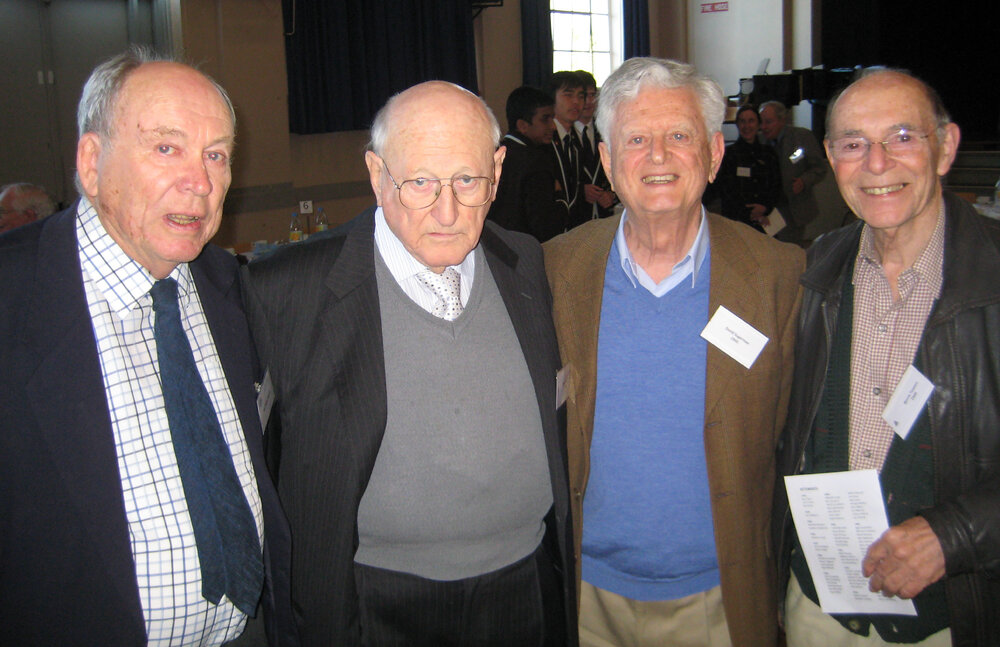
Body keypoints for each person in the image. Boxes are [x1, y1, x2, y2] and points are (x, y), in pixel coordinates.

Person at [242, 80, 577, 647]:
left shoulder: (523, 261)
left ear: (497, 169)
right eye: (419, 181)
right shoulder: (289, 287)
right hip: (378, 600)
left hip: (524, 587)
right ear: (377, 174)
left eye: (467, 180)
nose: (447, 211)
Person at [0, 47, 296, 646]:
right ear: (91, 161)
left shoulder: (227, 285)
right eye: (167, 148)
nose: (202, 181)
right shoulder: (13, 299)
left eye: (216, 154)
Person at [545, 57, 804, 647]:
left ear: (714, 154)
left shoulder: (779, 273)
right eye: (636, 139)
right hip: (588, 597)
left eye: (678, 136)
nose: (657, 156)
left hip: (722, 596)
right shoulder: (554, 269)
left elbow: (798, 433)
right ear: (608, 160)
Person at [774, 67, 1000, 647]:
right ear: (831, 157)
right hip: (818, 607)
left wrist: (955, 535)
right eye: (854, 144)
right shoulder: (813, 273)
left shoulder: (993, 281)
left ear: (945, 147)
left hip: (952, 613)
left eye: (902, 137)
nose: (876, 164)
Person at [488, 85, 567, 241]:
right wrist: (560, 199)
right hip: (527, 250)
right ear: (523, 125)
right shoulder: (537, 161)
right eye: (546, 119)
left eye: (553, 118)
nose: (552, 126)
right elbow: (545, 226)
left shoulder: (493, 154)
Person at [759, 100, 827, 244]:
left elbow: (819, 168)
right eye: (762, 122)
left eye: (769, 122)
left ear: (782, 120)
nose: (763, 127)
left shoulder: (801, 137)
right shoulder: (759, 142)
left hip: (794, 207)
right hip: (768, 210)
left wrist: (804, 181)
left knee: (791, 249)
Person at [712, 105, 782, 233]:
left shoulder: (769, 154)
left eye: (751, 121)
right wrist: (748, 212)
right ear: (737, 124)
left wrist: (765, 208)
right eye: (742, 121)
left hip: (765, 220)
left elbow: (776, 186)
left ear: (758, 124)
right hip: (736, 221)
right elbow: (725, 189)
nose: (747, 126)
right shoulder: (728, 154)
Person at [546, 71, 588, 230]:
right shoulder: (544, 140)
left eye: (581, 96)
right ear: (553, 98)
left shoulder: (576, 141)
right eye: (568, 95)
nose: (576, 102)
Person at [574, 71, 616, 220]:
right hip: (577, 217)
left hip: (605, 213)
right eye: (583, 96)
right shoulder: (564, 135)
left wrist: (612, 194)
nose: (588, 102)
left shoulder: (606, 130)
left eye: (593, 95)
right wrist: (581, 191)